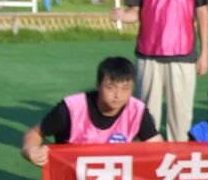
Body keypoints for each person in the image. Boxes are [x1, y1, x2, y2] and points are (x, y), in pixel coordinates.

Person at [109, 0, 208, 141]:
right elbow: (134, 13)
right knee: (146, 118)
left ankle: (178, 160)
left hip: (183, 54)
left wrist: (205, 52)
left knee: (181, 120)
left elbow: (202, 12)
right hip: (149, 55)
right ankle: (148, 160)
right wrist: (122, 15)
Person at [20, 56, 160, 165]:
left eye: (125, 89)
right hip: (71, 177)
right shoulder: (71, 109)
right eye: (110, 87)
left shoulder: (137, 111)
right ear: (98, 85)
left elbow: (157, 148)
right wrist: (30, 150)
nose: (118, 95)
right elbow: (35, 133)